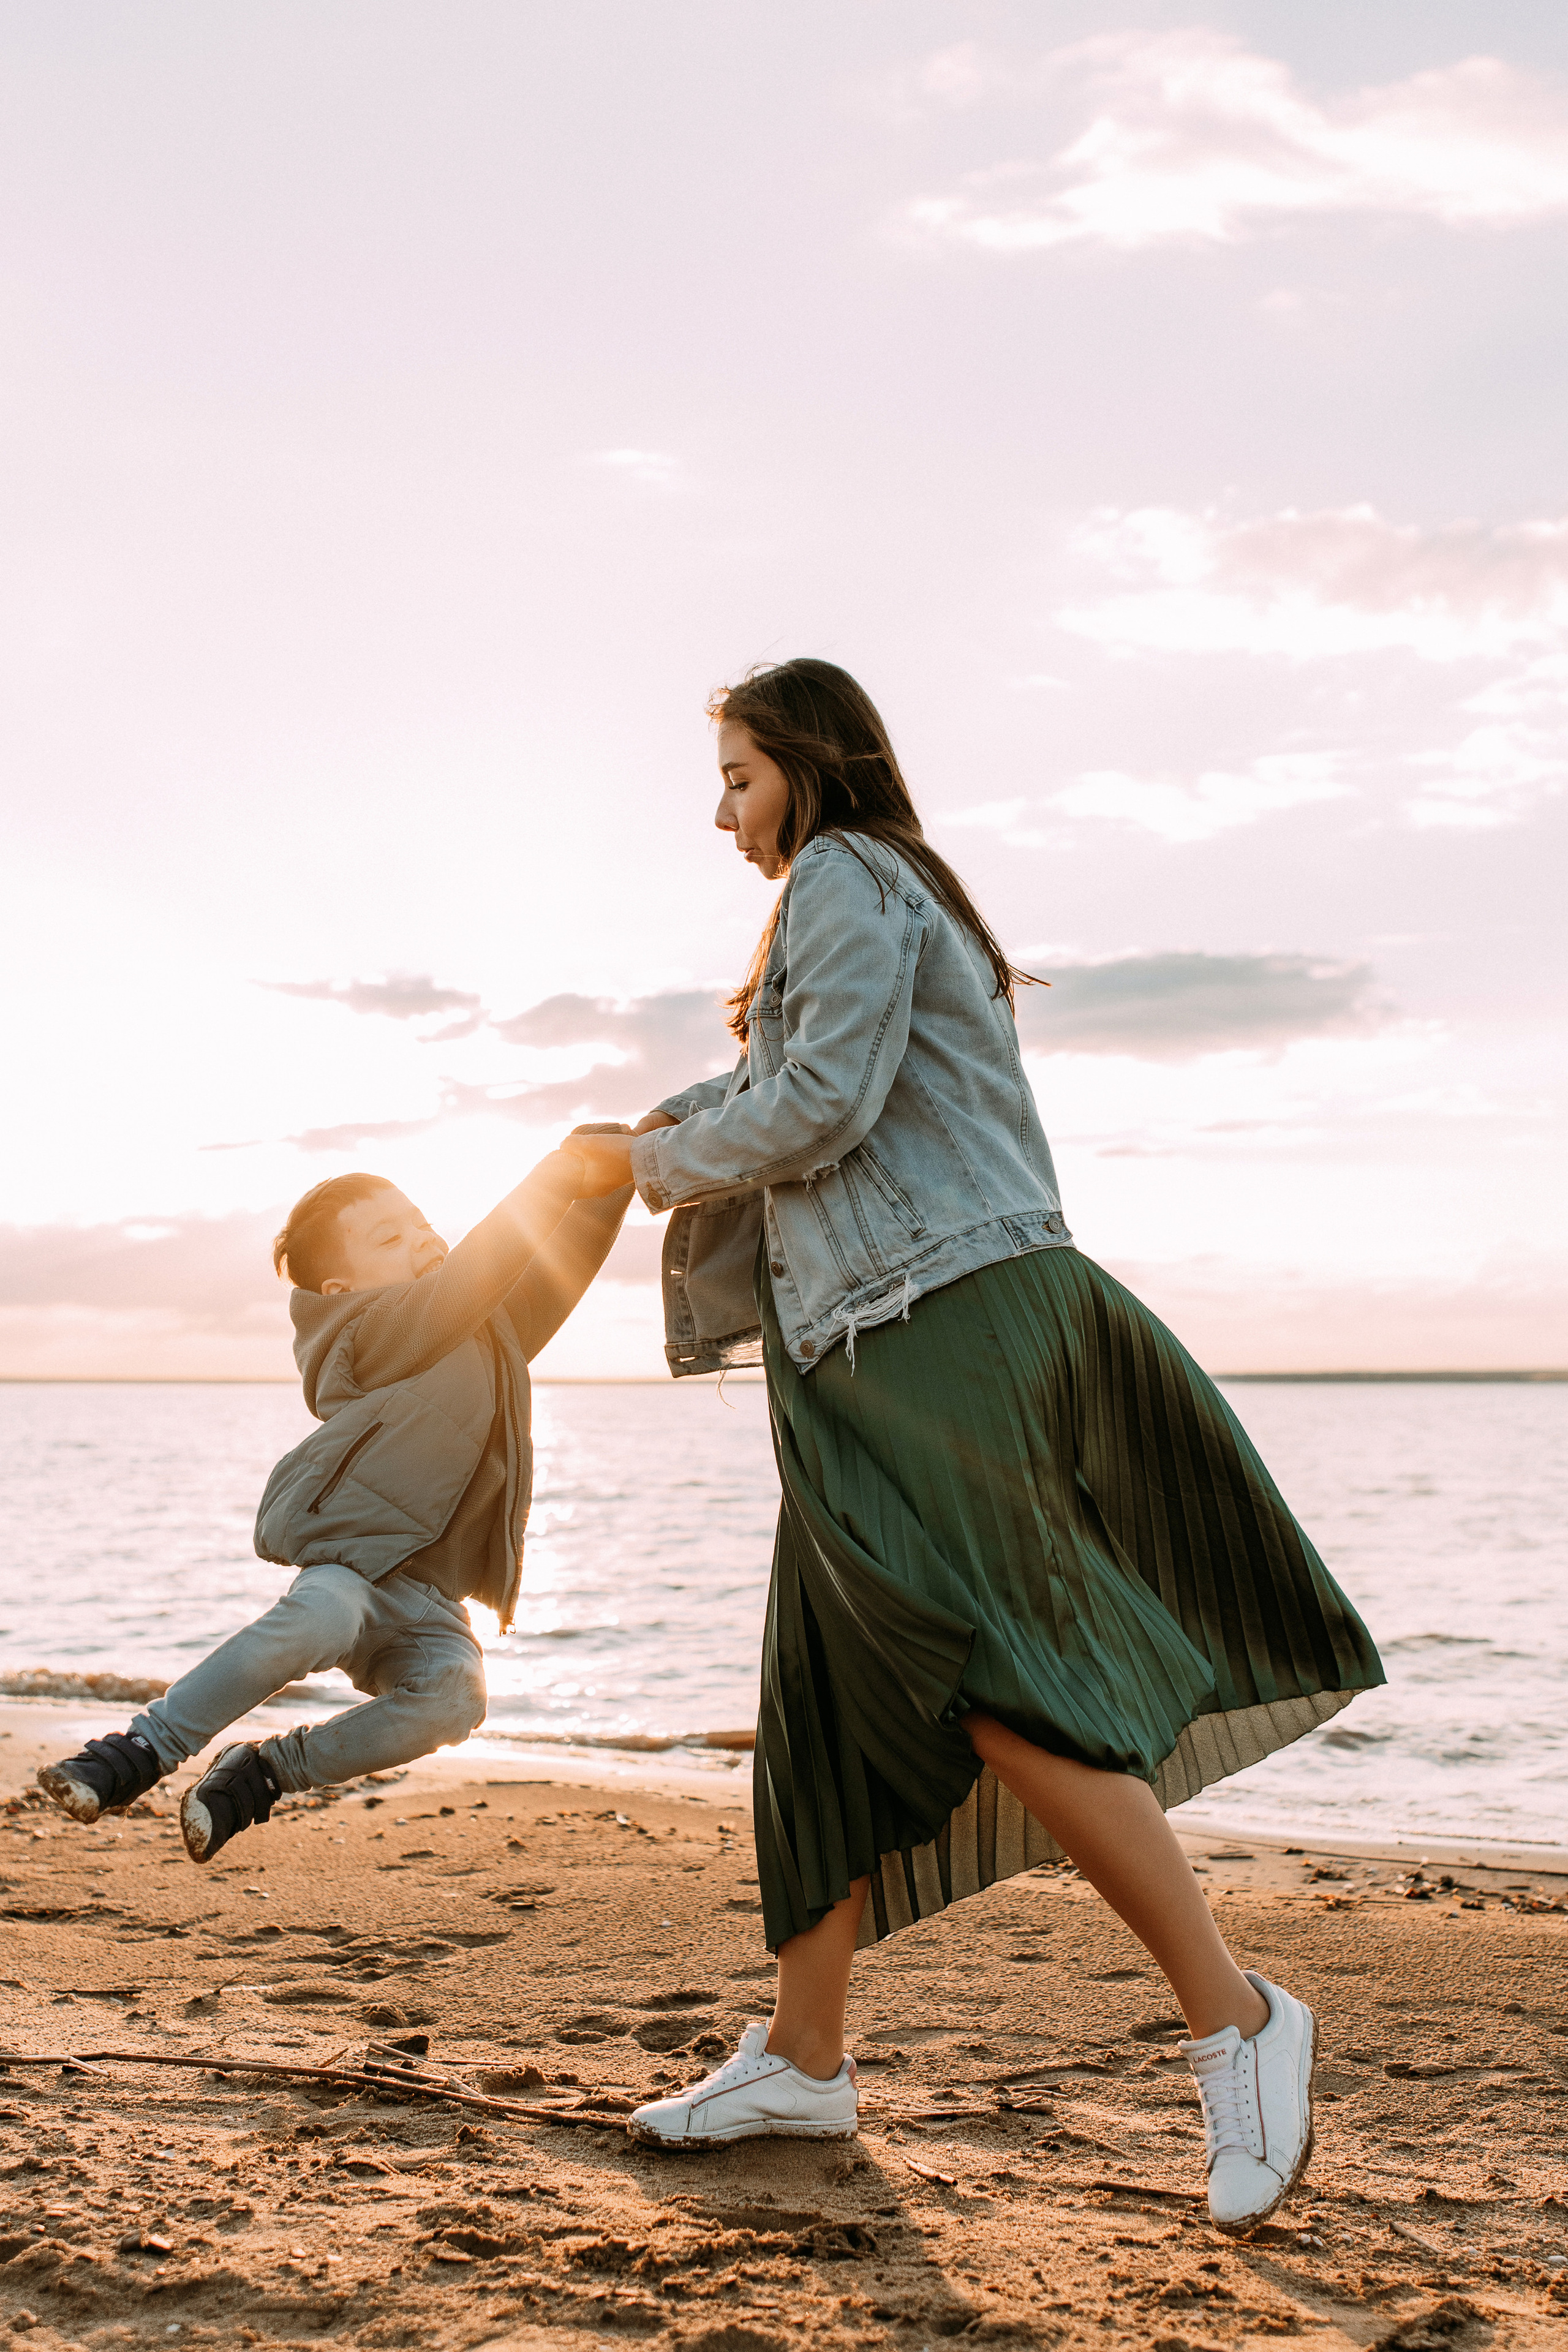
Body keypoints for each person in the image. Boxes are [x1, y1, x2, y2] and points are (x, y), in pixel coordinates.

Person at [565, 659, 1384, 2237]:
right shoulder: (854, 892)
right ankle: (802, 2055)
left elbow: (815, 1102)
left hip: (935, 1323)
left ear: (806, 763)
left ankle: (1238, 2018)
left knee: (996, 1681)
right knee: (819, 1700)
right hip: (863, 1350)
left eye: (734, 773)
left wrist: (648, 1163)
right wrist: (627, 1141)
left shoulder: (845, 874)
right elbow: (767, 1085)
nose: (719, 808)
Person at [37, 1140, 631, 1863]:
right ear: (341, 1290)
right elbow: (474, 1277)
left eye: (418, 1222)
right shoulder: (368, 1332)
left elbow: (558, 1270)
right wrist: (557, 1174)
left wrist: (615, 1170)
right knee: (323, 1615)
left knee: (456, 1697)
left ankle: (264, 1773)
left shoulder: (488, 1328)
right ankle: (138, 1751)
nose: (418, 1237)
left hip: (432, 1599)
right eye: (388, 1237)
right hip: (355, 1570)